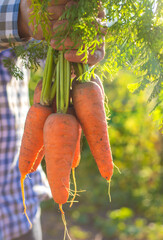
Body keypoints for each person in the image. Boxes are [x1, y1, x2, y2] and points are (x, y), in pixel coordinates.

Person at [0, 1, 105, 240]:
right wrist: (18, 19)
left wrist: (78, 37)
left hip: (17, 204)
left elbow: (43, 49)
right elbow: (26, 18)